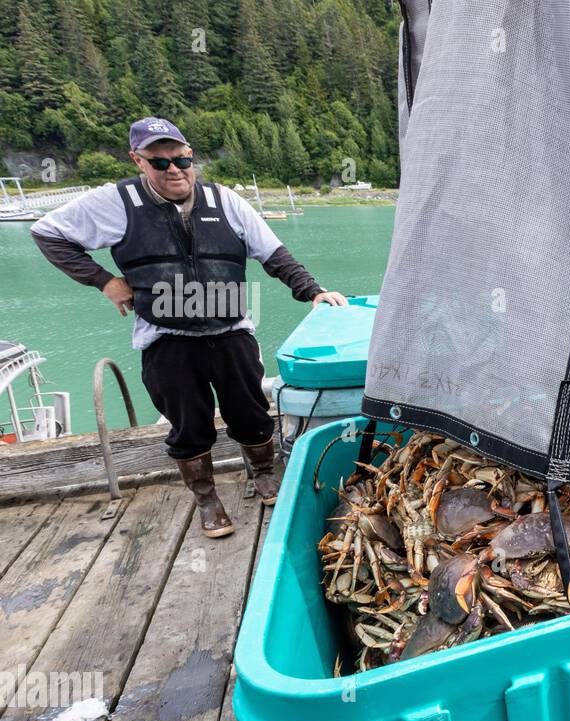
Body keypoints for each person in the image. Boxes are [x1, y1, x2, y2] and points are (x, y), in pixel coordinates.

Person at [31, 117, 348, 538]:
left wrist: (312, 290)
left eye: (182, 158)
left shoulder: (226, 201)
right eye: (160, 163)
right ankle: (206, 497)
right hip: (166, 338)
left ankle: (264, 474)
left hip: (230, 330)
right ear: (138, 161)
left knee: (252, 412)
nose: (175, 169)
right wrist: (104, 281)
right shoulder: (115, 202)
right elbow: (48, 233)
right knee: (188, 425)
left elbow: (273, 254)